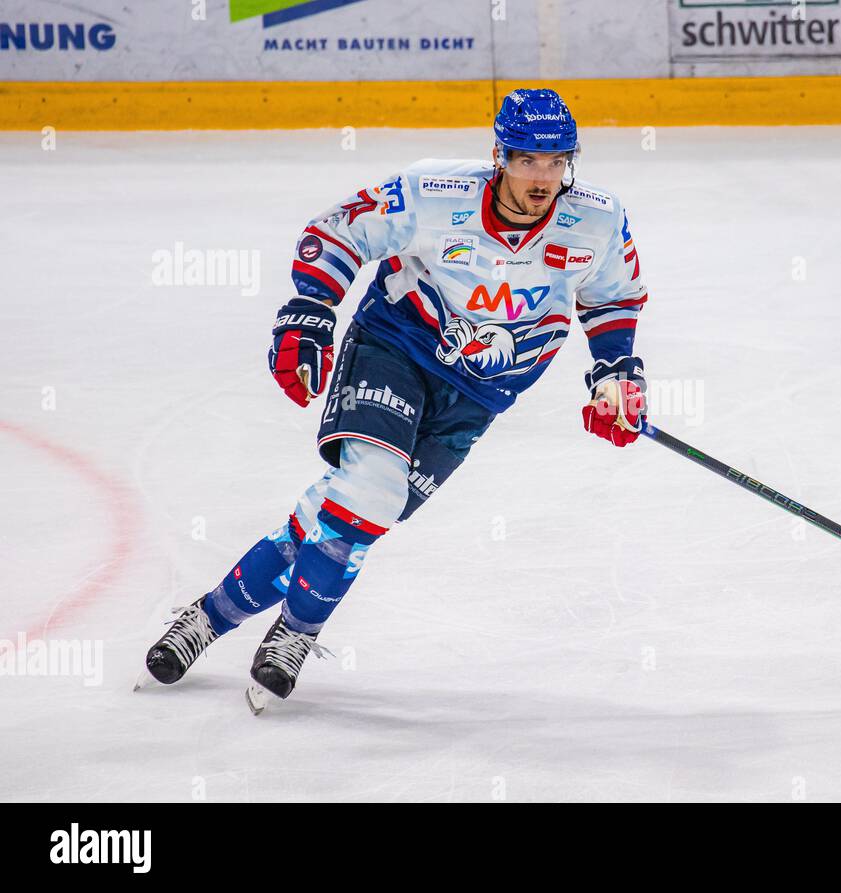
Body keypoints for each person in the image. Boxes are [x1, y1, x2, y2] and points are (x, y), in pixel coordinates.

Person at [141, 88, 649, 711]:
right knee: (371, 492)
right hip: (397, 348)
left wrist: (615, 371)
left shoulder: (596, 219)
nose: (543, 177)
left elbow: (613, 297)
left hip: (483, 393)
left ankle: (208, 616)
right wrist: (309, 310)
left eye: (556, 161)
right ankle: (295, 635)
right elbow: (339, 231)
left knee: (350, 519)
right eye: (526, 160)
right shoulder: (434, 193)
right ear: (499, 155)